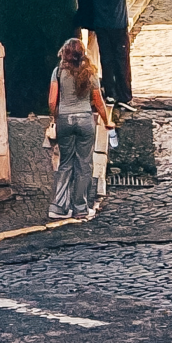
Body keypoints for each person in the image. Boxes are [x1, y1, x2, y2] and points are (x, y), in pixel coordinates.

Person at [48, 39, 110, 221]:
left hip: (65, 121)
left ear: (64, 53)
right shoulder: (90, 74)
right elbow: (98, 102)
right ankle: (81, 208)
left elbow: (52, 101)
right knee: (84, 165)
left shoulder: (58, 72)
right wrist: (107, 120)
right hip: (85, 121)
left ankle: (58, 207)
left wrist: (55, 116)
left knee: (65, 162)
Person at [89, 0, 138, 107]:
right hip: (118, 24)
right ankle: (124, 95)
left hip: (101, 24)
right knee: (122, 60)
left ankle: (110, 93)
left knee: (107, 59)